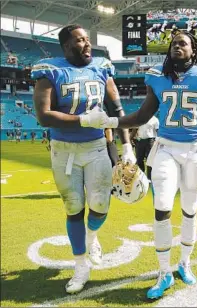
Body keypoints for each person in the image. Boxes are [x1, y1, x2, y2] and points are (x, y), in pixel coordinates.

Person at [84, 30, 197, 299]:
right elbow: (142, 115)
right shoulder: (157, 76)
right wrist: (111, 121)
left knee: (189, 210)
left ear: (193, 49)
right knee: (162, 206)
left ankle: (184, 262)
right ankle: (164, 272)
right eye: (174, 44)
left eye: (183, 43)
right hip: (165, 148)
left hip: (196, 150)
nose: (178, 47)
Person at [31, 24, 136, 294]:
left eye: (88, 39)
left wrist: (127, 145)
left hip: (97, 147)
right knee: (73, 206)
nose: (87, 44)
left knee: (100, 204)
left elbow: (117, 108)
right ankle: (80, 266)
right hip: (64, 150)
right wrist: (83, 119)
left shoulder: (102, 67)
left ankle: (93, 237)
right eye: (80, 40)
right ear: (66, 46)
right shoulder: (50, 71)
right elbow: (43, 115)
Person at [130, 115, 159, 180]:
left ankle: (149, 178)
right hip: (140, 141)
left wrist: (158, 141)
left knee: (150, 160)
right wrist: (130, 139)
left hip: (150, 141)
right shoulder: (140, 118)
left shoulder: (155, 119)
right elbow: (135, 129)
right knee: (139, 160)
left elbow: (158, 131)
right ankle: (140, 178)